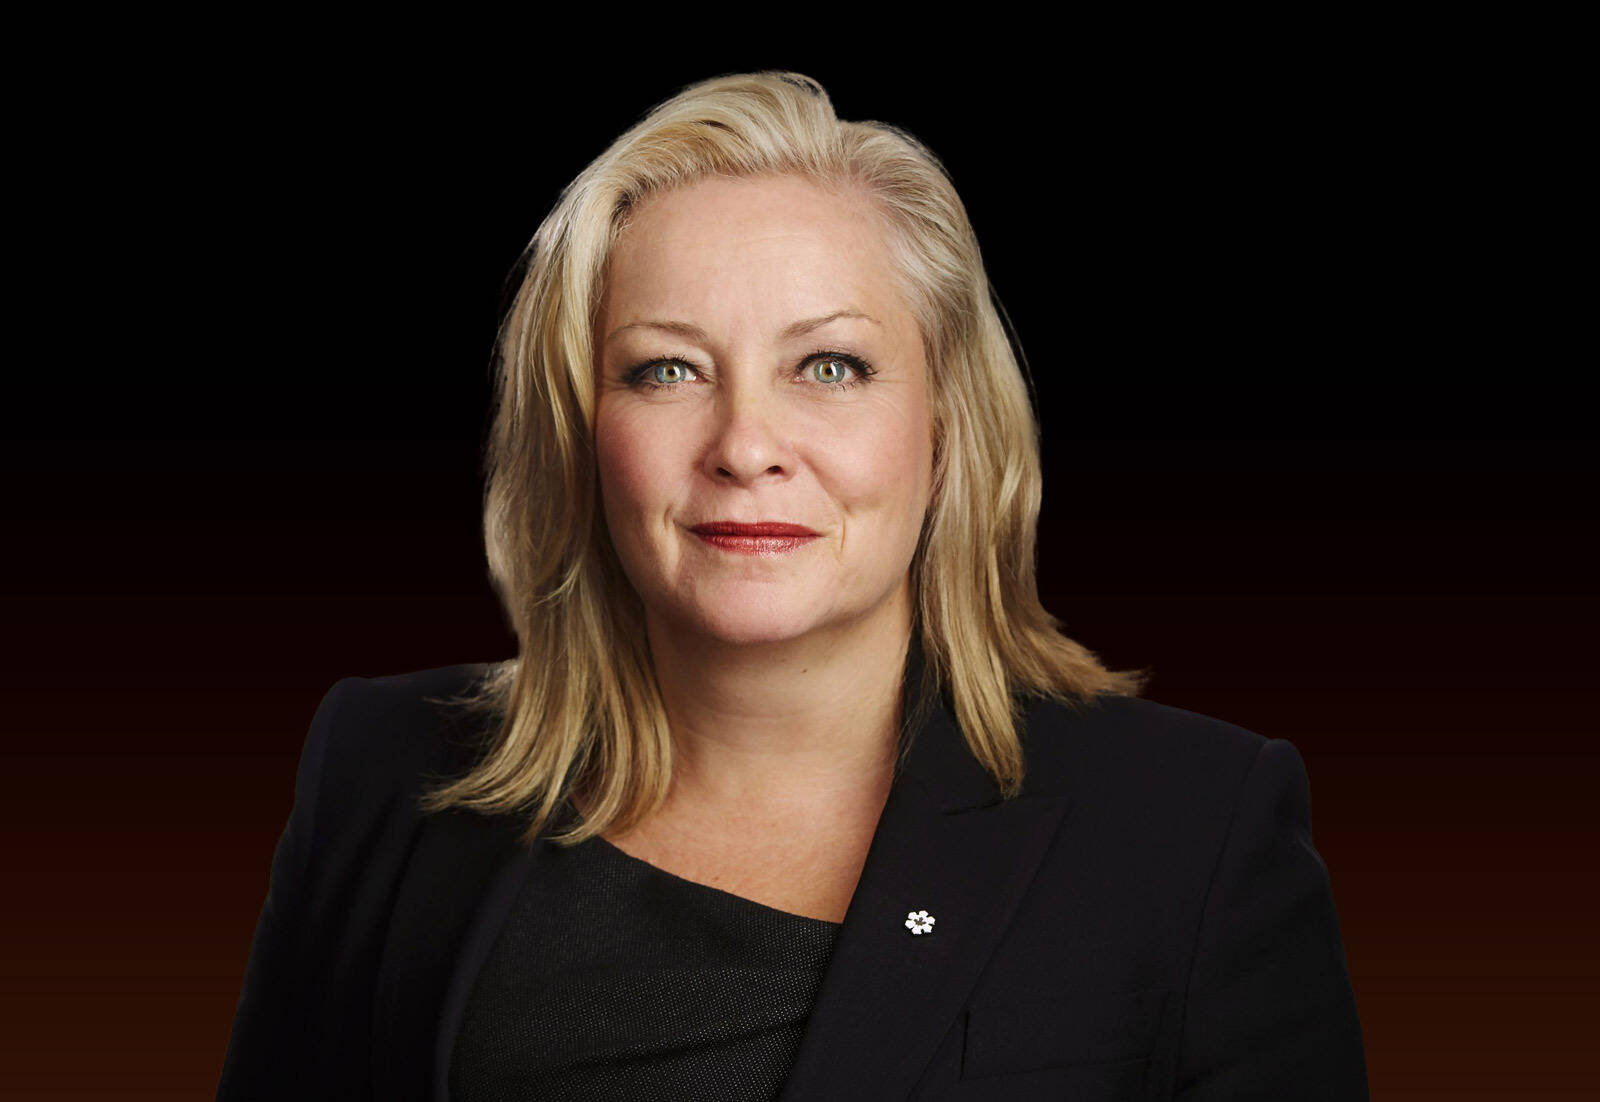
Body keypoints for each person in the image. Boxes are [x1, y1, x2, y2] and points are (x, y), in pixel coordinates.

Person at [217, 71, 1368, 1100]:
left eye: (830, 366)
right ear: (580, 433)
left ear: (947, 426)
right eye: (666, 368)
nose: (744, 442)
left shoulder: (1195, 832)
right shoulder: (379, 768)